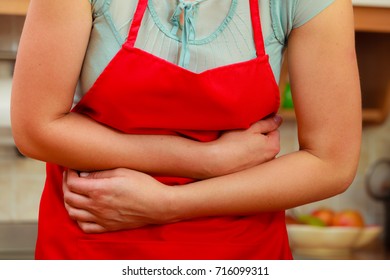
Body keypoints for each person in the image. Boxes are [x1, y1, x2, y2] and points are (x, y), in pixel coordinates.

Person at [11, 0, 361, 260]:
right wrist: (205, 160)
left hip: (239, 255)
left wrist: (169, 204)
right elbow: (36, 128)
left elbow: (330, 162)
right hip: (92, 244)